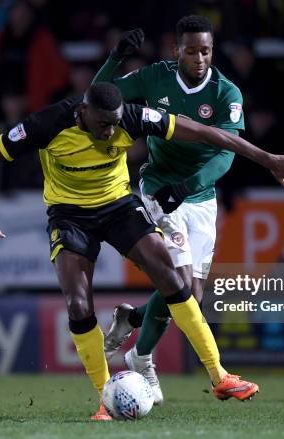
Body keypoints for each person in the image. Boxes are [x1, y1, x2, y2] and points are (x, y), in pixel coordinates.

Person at [0, 82, 284, 420]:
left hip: (118, 206)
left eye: (116, 123)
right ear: (84, 113)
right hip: (69, 215)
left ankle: (220, 376)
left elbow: (203, 133)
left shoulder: (132, 117)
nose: (110, 132)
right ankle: (106, 397)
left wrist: (267, 158)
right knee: (77, 302)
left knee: (168, 272)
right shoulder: (47, 123)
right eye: (103, 124)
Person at [90, 16, 261, 403]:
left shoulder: (226, 93)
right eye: (191, 50)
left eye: (205, 51)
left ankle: (132, 323)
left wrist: (187, 188)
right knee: (180, 284)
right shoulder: (155, 77)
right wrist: (115, 58)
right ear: (176, 50)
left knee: (192, 295)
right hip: (157, 188)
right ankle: (152, 359)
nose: (199, 58)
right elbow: (98, 96)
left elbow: (226, 156)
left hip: (198, 198)